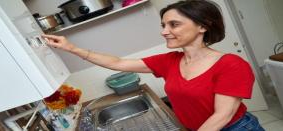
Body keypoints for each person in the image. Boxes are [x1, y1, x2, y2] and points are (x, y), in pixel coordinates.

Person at [42, 0, 265, 130]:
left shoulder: (231, 65)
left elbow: (223, 116)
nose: (164, 31)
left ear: (203, 26)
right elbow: (117, 62)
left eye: (174, 24)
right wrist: (71, 48)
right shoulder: (170, 61)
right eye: (163, 25)